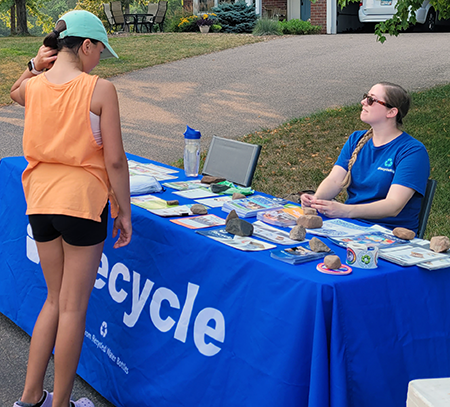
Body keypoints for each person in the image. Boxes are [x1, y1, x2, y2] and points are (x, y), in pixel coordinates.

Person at [10, 10, 132, 407]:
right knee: (73, 307)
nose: (101, 60)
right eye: (100, 50)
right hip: (82, 201)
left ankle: (30, 398)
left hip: (40, 199)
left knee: (53, 298)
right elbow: (115, 160)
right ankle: (60, 403)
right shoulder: (100, 90)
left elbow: (15, 91)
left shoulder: (35, 86)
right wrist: (125, 210)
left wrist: (34, 63)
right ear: (86, 45)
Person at [301, 82, 430, 232]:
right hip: (350, 225)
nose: (363, 102)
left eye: (371, 100)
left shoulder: (412, 151)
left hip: (389, 232)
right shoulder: (356, 139)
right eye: (365, 97)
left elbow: (393, 205)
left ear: (391, 112)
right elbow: (335, 180)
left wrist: (346, 211)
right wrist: (316, 200)